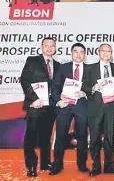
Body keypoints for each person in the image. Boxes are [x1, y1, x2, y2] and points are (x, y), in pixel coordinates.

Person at [20, 37, 60, 177]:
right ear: (41, 47)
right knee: (31, 137)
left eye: (52, 45)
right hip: (35, 105)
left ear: (55, 48)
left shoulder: (58, 65)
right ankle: (31, 165)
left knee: (46, 136)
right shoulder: (33, 60)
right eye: (46, 45)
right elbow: (24, 80)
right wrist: (34, 99)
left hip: (50, 107)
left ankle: (45, 163)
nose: (49, 48)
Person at [83, 43, 114, 177]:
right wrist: (93, 88)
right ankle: (96, 166)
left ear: (111, 54)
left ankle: (109, 166)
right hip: (95, 108)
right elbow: (83, 85)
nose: (106, 53)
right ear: (98, 52)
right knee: (94, 138)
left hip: (111, 108)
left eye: (109, 51)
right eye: (103, 51)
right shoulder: (89, 68)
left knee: (109, 138)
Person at [49, 43, 89, 175]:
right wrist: (59, 101)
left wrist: (86, 93)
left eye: (81, 52)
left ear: (84, 54)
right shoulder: (62, 68)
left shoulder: (90, 69)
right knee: (60, 136)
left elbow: (93, 88)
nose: (78, 54)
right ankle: (57, 165)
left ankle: (82, 165)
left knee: (82, 136)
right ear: (71, 53)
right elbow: (54, 87)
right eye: (75, 51)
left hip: (81, 106)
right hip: (64, 106)